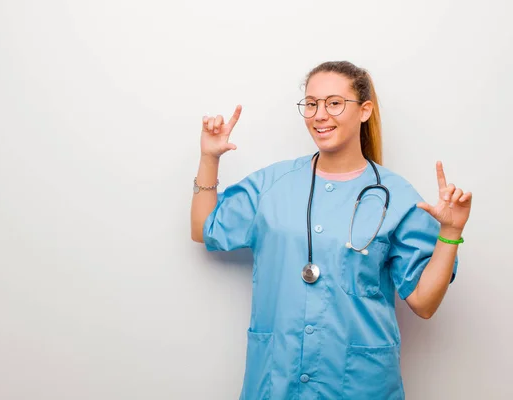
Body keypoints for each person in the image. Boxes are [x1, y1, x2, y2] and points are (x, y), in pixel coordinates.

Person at [190, 61, 472, 400]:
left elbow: (424, 303)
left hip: (358, 384)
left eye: (334, 103)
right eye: (311, 104)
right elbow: (204, 229)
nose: (320, 114)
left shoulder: (395, 197)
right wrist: (209, 157)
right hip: (277, 380)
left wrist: (451, 232)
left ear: (364, 111)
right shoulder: (272, 185)